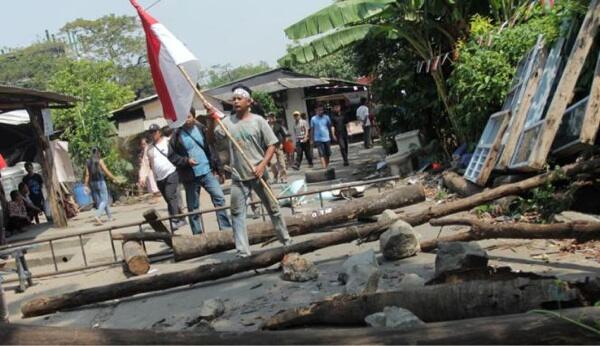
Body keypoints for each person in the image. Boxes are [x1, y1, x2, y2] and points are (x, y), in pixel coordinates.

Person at [206, 84, 291, 257]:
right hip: (239, 176)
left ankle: (286, 241)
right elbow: (212, 139)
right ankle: (243, 252)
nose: (236, 101)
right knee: (237, 213)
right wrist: (210, 119)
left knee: (273, 209)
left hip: (259, 173)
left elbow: (272, 145)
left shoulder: (258, 121)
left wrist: (262, 165)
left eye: (239, 98)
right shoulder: (227, 123)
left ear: (249, 101)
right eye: (234, 99)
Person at [169, 110, 231, 235]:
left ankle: (226, 229)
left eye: (189, 116)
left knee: (219, 197)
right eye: (185, 117)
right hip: (190, 176)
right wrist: (186, 161)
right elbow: (172, 156)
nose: (187, 119)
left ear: (193, 116)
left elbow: (212, 149)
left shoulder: (201, 129)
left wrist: (219, 169)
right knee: (193, 208)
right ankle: (198, 234)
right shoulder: (176, 135)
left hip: (207, 171)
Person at [145, 124, 186, 231]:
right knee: (169, 199)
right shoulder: (149, 148)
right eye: (151, 132)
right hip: (159, 178)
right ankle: (181, 218)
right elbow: (148, 164)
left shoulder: (167, 142)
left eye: (154, 132)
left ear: (159, 132)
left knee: (170, 195)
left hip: (171, 172)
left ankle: (175, 220)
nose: (153, 134)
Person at [84, 147, 118, 225]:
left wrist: (85, 185)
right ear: (98, 153)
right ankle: (97, 216)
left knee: (102, 201)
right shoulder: (100, 161)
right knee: (105, 200)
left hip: (92, 184)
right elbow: (106, 171)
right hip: (100, 182)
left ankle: (110, 217)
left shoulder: (88, 162)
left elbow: (87, 175)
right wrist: (114, 178)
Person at [267, 113, 289, 183]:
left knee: (282, 162)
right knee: (272, 163)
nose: (271, 119)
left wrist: (283, 143)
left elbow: (284, 135)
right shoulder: (266, 126)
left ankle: (283, 177)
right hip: (270, 146)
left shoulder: (278, 125)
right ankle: (275, 176)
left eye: (272, 117)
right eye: (270, 117)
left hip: (278, 145)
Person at [138, 138, 161, 202]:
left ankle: (156, 197)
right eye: (142, 144)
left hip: (151, 169)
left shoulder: (149, 149)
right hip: (146, 169)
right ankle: (155, 197)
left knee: (153, 183)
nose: (143, 145)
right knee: (150, 184)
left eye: (144, 144)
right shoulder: (142, 152)